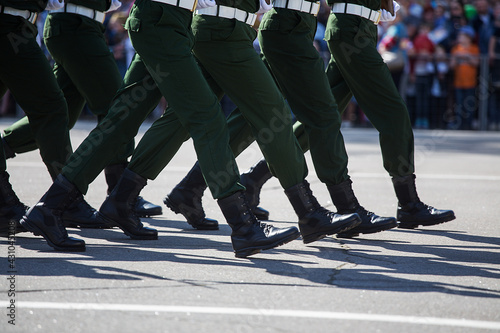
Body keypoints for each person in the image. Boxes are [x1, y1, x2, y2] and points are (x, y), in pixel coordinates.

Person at [21, 0, 360, 256]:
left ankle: (66, 205)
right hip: (164, 21)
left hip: (175, 23)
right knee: (206, 118)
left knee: (121, 120)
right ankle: (244, 225)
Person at [169, 0, 456, 231]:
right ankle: (368, 205)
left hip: (309, 25)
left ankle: (201, 186)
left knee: (262, 118)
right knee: (347, 115)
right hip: (305, 24)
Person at [1, 0, 162, 222]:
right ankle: (117, 193)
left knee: (59, 113)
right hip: (74, 25)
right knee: (117, 108)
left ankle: (5, 149)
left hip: (77, 25)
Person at [0, 0, 72, 236]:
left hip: (20, 23)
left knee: (51, 107)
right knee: (51, 107)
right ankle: (66, 199)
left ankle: (4, 206)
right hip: (10, 23)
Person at [450, 25, 480, 130]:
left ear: (468, 37)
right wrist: (456, 57)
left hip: (470, 83)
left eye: (462, 36)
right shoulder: (456, 49)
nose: (459, 38)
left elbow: (476, 63)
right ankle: (459, 124)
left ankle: (468, 125)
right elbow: (452, 65)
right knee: (458, 105)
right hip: (458, 83)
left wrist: (467, 56)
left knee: (469, 105)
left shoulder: (474, 48)